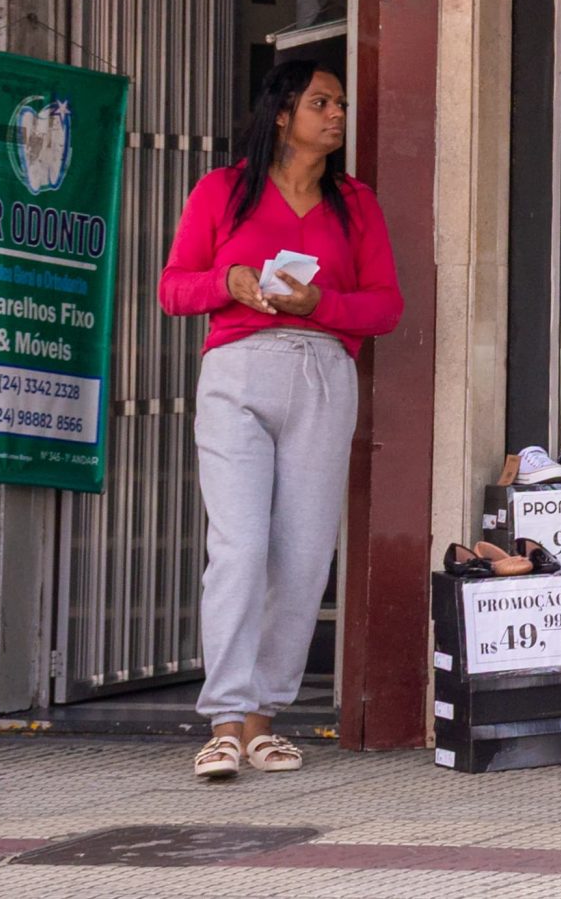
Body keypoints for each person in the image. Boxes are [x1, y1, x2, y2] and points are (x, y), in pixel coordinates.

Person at [159, 61, 401, 781]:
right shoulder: (222, 190)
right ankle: (224, 721)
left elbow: (386, 306)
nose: (337, 114)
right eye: (321, 102)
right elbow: (173, 288)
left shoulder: (355, 202)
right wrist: (228, 282)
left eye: (341, 103)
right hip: (238, 370)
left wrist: (319, 304)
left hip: (324, 371)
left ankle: (265, 722)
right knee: (238, 546)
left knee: (303, 554)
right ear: (282, 112)